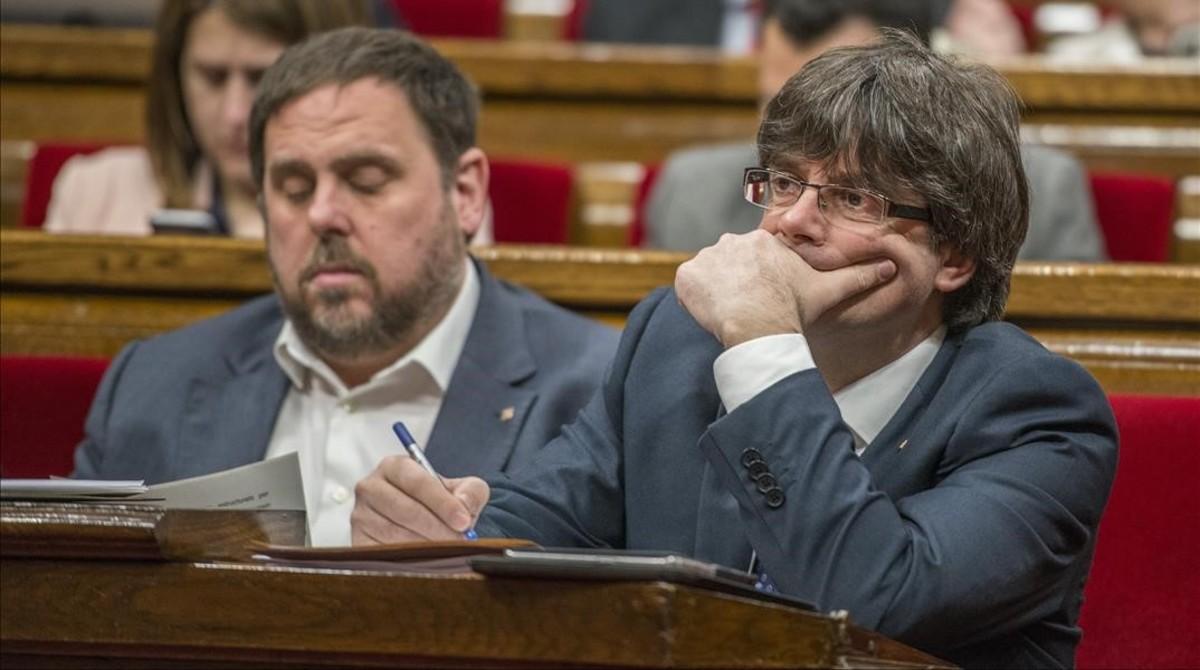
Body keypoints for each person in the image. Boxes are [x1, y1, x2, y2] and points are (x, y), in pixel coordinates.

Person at [352, 31, 1118, 669]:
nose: (790, 223)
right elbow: (559, 513)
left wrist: (765, 344)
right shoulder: (677, 342)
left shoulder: (1039, 417)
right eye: (784, 184)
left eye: (853, 198)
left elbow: (868, 605)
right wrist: (459, 523)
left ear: (952, 256)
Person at [71, 27, 619, 546]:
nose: (323, 214)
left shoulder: (602, 392)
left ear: (466, 193)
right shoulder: (152, 386)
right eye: (293, 187)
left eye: (366, 182)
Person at [644, 0, 1107, 263]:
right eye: (776, 106)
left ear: (920, 77)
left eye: (837, 108)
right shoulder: (693, 190)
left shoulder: (1039, 189)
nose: (795, 137)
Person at [43, 0, 374, 237]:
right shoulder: (96, 193)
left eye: (261, 78)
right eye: (212, 77)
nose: (235, 113)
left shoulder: (380, 214)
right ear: (175, 75)